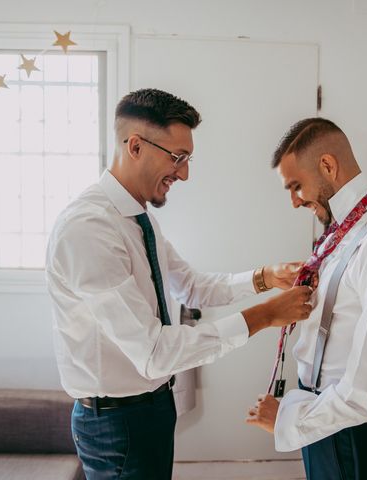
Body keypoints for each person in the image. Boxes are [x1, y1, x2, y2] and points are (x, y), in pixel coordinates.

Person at [45, 88, 313, 480]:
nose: (184, 173)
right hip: (117, 423)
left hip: (151, 407)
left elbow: (190, 286)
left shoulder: (137, 218)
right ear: (135, 146)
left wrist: (264, 278)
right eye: (178, 158)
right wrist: (264, 316)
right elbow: (154, 353)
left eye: (188, 159)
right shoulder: (90, 230)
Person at [246, 117, 367, 480]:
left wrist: (290, 419)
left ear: (328, 166)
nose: (294, 201)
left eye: (296, 186)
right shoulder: (340, 235)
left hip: (348, 429)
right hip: (323, 415)